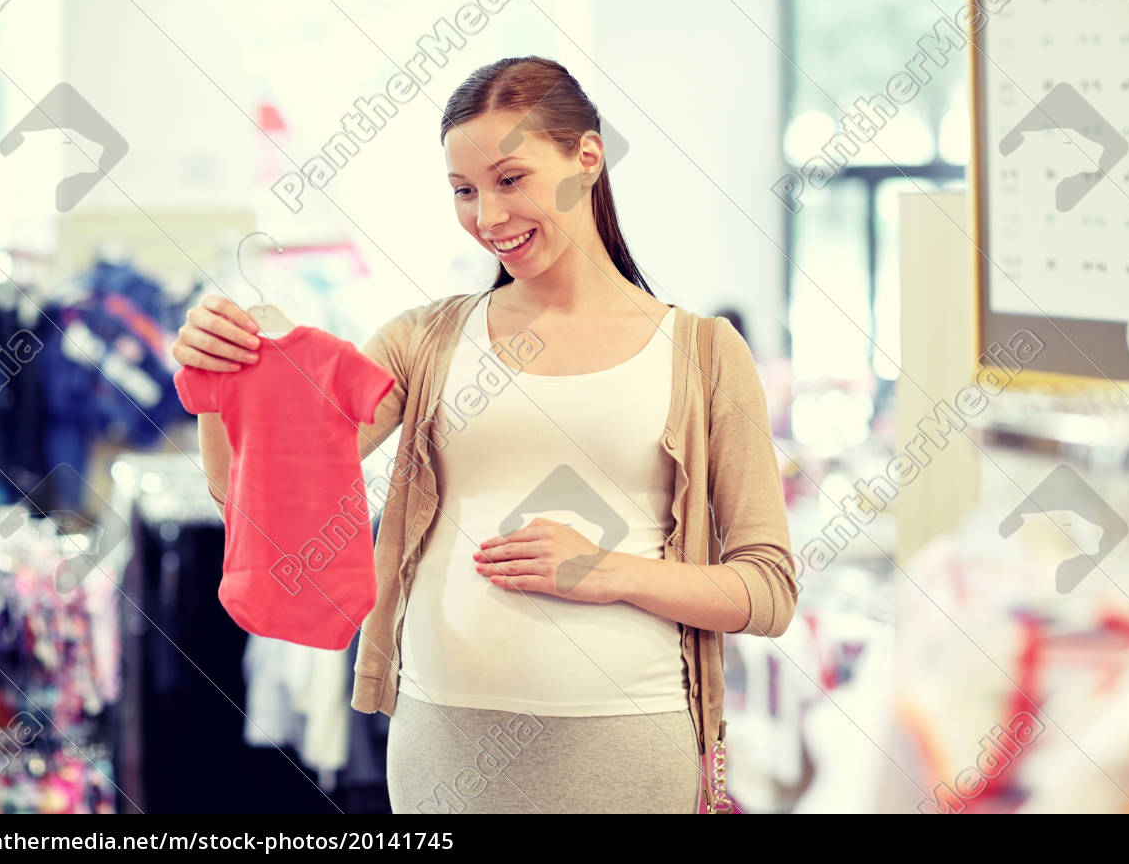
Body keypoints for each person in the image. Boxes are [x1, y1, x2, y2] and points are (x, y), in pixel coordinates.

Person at [171, 56, 796, 814]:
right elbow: (254, 497)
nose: (487, 217)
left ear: (585, 159)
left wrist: (611, 572)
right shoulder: (424, 341)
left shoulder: (702, 354)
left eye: (510, 180)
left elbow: (768, 589)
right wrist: (218, 381)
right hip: (444, 741)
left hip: (625, 743)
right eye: (463, 192)